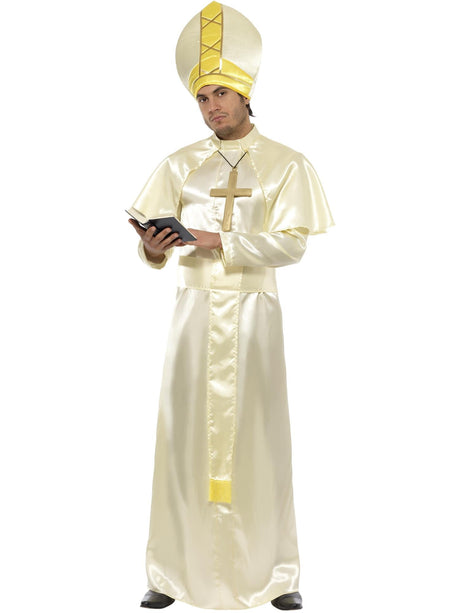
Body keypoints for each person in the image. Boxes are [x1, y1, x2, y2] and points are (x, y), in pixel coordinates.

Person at [128, 2, 334, 610]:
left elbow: (292, 246)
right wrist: (153, 249)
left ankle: (277, 575)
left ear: (246, 94)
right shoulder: (179, 165)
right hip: (193, 317)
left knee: (261, 439)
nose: (212, 106)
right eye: (202, 97)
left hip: (253, 315)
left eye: (221, 93)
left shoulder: (287, 164)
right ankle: (169, 573)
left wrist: (221, 240)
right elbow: (154, 247)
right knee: (182, 437)